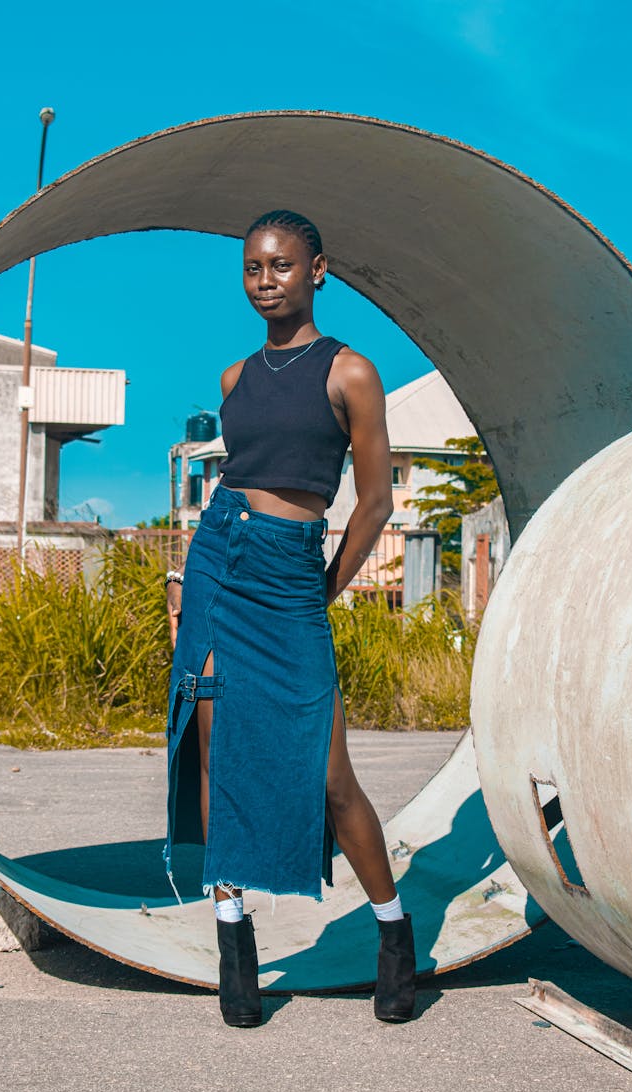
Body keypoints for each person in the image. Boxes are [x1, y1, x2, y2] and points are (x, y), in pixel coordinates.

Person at [165, 209, 415, 1028]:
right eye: (251, 268)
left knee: (328, 773)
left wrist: (322, 588)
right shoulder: (236, 379)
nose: (264, 279)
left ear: (318, 270)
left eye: (280, 265)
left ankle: (392, 932)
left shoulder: (351, 373)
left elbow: (374, 504)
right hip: (219, 561)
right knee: (216, 751)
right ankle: (235, 945)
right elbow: (234, 484)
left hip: (290, 572)